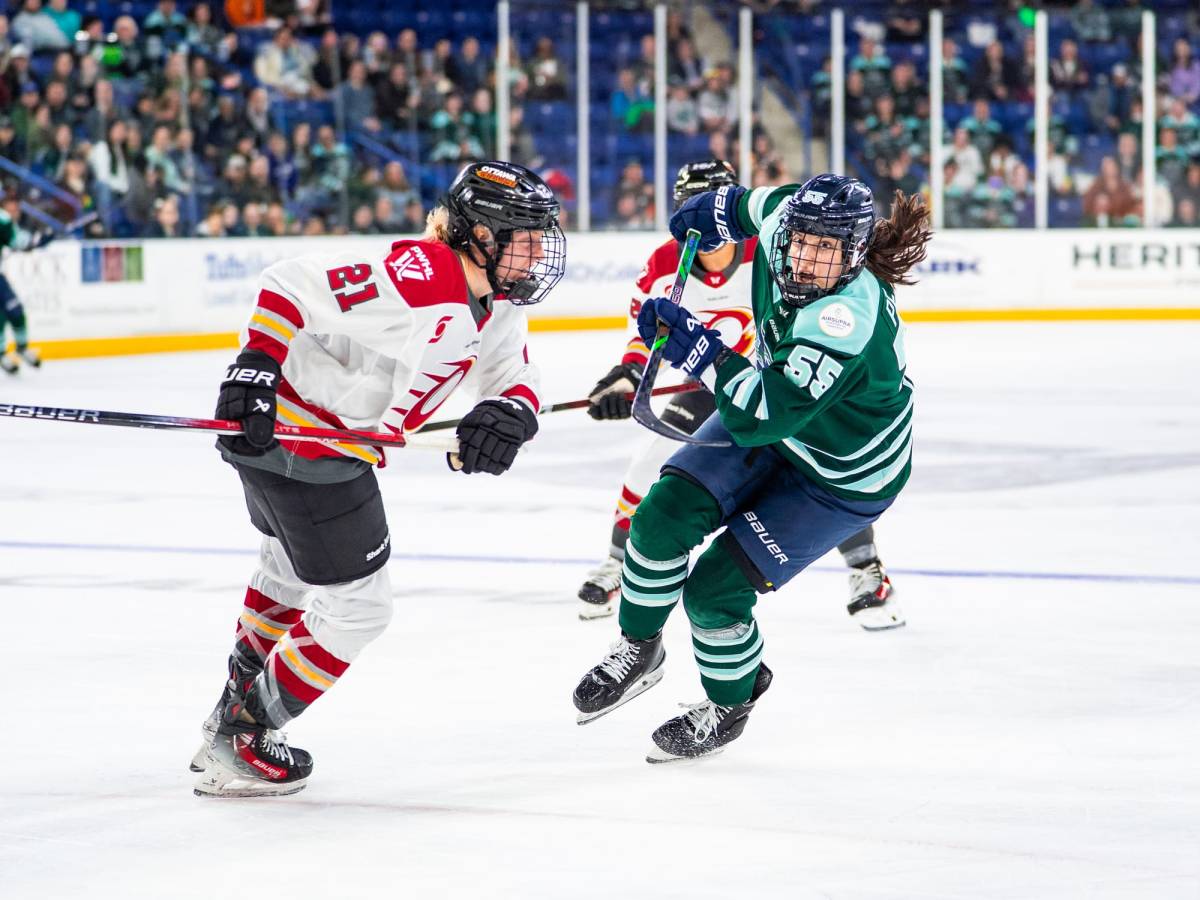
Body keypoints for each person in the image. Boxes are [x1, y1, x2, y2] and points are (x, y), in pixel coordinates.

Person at [191, 162, 566, 797]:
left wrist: (512, 413)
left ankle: (233, 713)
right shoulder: (423, 276)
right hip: (303, 445)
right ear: (478, 234)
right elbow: (290, 283)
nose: (537, 253)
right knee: (360, 609)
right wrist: (255, 364)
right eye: (524, 237)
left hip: (310, 447)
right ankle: (244, 730)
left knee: (285, 570)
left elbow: (512, 375)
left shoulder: (494, 303)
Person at [572, 174, 930, 762]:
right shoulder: (784, 215)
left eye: (829, 249)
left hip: (838, 478)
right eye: (803, 241)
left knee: (715, 592)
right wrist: (711, 209)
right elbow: (742, 204)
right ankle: (639, 647)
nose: (809, 259)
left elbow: (764, 413)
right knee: (660, 517)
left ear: (856, 253)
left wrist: (701, 350)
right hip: (776, 423)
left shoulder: (844, 319)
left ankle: (729, 704)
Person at [580, 160, 905, 632]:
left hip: (769, 380)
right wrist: (629, 375)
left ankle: (865, 569)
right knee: (652, 463)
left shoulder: (777, 247)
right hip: (707, 382)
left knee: (819, 458)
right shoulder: (667, 262)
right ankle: (618, 563)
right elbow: (651, 331)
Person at [0, 192, 52, 374]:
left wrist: (37, 240)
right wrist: (41, 239)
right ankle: (5, 353)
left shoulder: (6, 222)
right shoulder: (3, 219)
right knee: (5, 313)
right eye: (11, 206)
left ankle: (20, 348)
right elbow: (20, 243)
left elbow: (17, 242)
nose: (15, 210)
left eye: (17, 206)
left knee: (14, 310)